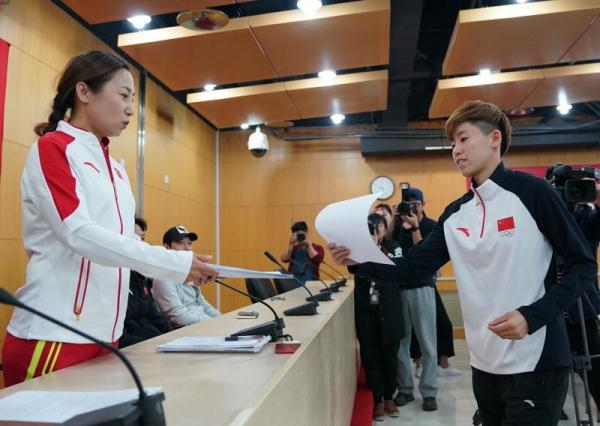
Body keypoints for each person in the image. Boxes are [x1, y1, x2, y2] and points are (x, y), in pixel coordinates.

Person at [328, 100, 597, 425]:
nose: (456, 150)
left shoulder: (534, 193)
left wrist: (532, 316)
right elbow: (412, 268)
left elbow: (583, 265)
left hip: (537, 361)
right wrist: (361, 259)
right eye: (452, 143)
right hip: (484, 366)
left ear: (494, 139)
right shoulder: (455, 214)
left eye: (464, 139)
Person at [1, 50, 218, 387]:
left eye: (133, 98)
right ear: (84, 92)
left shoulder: (115, 168)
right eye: (123, 95)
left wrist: (181, 266)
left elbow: (126, 243)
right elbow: (78, 233)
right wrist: (174, 262)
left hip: (106, 336)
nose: (131, 108)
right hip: (55, 333)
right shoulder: (53, 148)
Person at [546, 164, 600, 420]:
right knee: (551, 365)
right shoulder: (540, 215)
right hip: (548, 303)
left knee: (595, 363)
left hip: (583, 302)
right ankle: (553, 408)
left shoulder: (587, 216)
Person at [379, 191, 439, 411]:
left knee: (428, 344)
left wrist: (415, 228)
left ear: (423, 204)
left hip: (422, 287)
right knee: (401, 343)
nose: (411, 209)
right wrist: (395, 219)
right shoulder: (397, 227)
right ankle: (405, 389)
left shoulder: (432, 226)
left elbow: (424, 255)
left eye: (415, 204)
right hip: (398, 289)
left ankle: (429, 392)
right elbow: (388, 246)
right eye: (406, 205)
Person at [355, 212, 403, 420]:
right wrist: (369, 247)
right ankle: (377, 400)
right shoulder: (358, 251)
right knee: (371, 357)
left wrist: (376, 248)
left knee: (390, 359)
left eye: (380, 226)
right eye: (372, 227)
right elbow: (360, 271)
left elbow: (396, 271)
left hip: (390, 311)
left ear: (385, 227)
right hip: (367, 313)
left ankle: (389, 397)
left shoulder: (393, 247)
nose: (377, 230)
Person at [120, 217, 173, 348]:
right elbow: (121, 336)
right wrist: (153, 345)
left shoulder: (140, 276)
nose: (140, 244)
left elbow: (154, 316)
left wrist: (175, 337)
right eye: (134, 238)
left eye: (142, 238)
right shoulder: (114, 276)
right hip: (135, 348)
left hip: (152, 341)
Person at [152, 226, 220, 328]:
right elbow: (179, 317)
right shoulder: (163, 277)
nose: (187, 248)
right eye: (180, 243)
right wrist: (213, 323)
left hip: (201, 326)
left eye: (189, 244)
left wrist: (222, 320)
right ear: (167, 247)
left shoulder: (188, 274)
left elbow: (204, 306)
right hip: (184, 332)